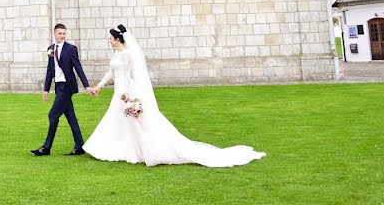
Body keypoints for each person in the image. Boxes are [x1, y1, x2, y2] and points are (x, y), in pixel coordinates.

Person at [83, 25, 266, 167]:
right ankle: (119, 149)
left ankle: (138, 150)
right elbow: (111, 72)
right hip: (118, 90)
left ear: (117, 39)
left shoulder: (128, 54)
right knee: (119, 120)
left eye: (110, 38)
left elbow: (133, 74)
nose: (109, 41)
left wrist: (130, 93)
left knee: (131, 120)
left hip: (126, 90)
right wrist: (98, 86)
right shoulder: (116, 53)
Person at [31, 23, 96, 156]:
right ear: (54, 34)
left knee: (53, 115)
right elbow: (50, 70)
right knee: (71, 117)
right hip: (58, 86)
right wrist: (46, 89)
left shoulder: (71, 48)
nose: (62, 36)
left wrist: (86, 85)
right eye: (60, 33)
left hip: (67, 86)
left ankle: (46, 147)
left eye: (64, 33)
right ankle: (79, 146)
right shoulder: (50, 49)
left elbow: (78, 67)